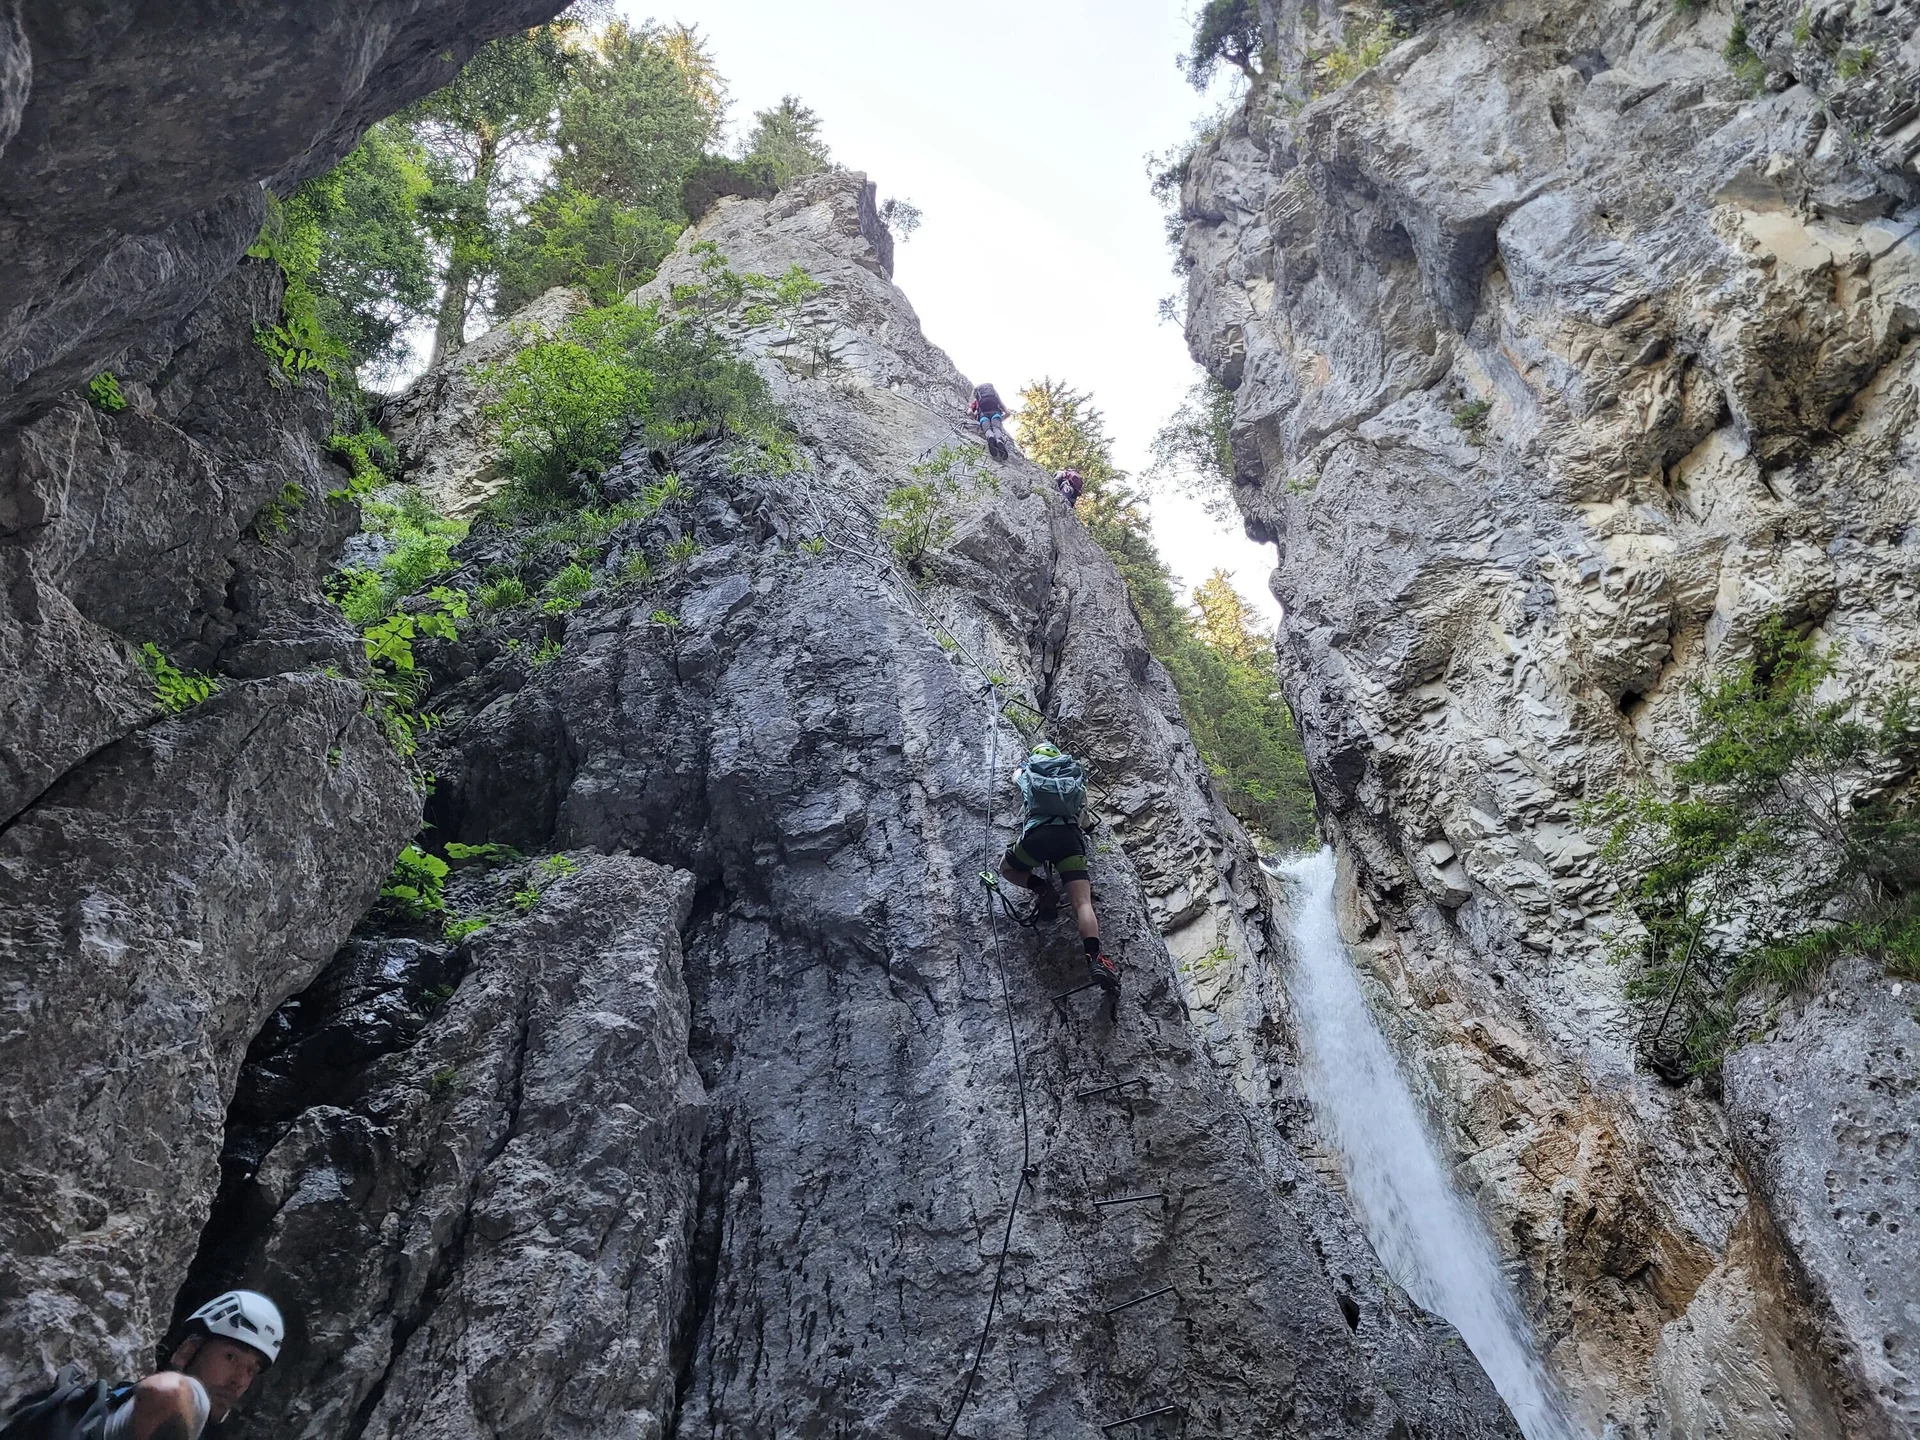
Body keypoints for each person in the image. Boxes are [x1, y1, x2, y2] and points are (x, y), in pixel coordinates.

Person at [2, 1291, 285, 1440]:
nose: (239, 1379)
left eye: (251, 1370)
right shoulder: (134, 1414)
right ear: (187, 1351)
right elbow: (170, 1392)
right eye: (231, 1357)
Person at [997, 743, 1120, 1004]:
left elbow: (1015, 779)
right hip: (1069, 839)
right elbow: (1085, 820)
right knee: (1083, 903)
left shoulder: (1030, 771)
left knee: (1006, 869)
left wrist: (1021, 769)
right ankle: (1096, 959)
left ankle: (1041, 888)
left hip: (1038, 835)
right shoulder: (1073, 776)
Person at [968, 382, 1010, 461]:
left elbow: (969, 412)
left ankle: (990, 438)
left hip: (983, 416)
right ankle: (999, 440)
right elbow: (1008, 413)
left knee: (988, 430)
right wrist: (1001, 419)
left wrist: (976, 418)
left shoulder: (977, 401)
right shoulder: (996, 398)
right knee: (996, 428)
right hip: (996, 414)